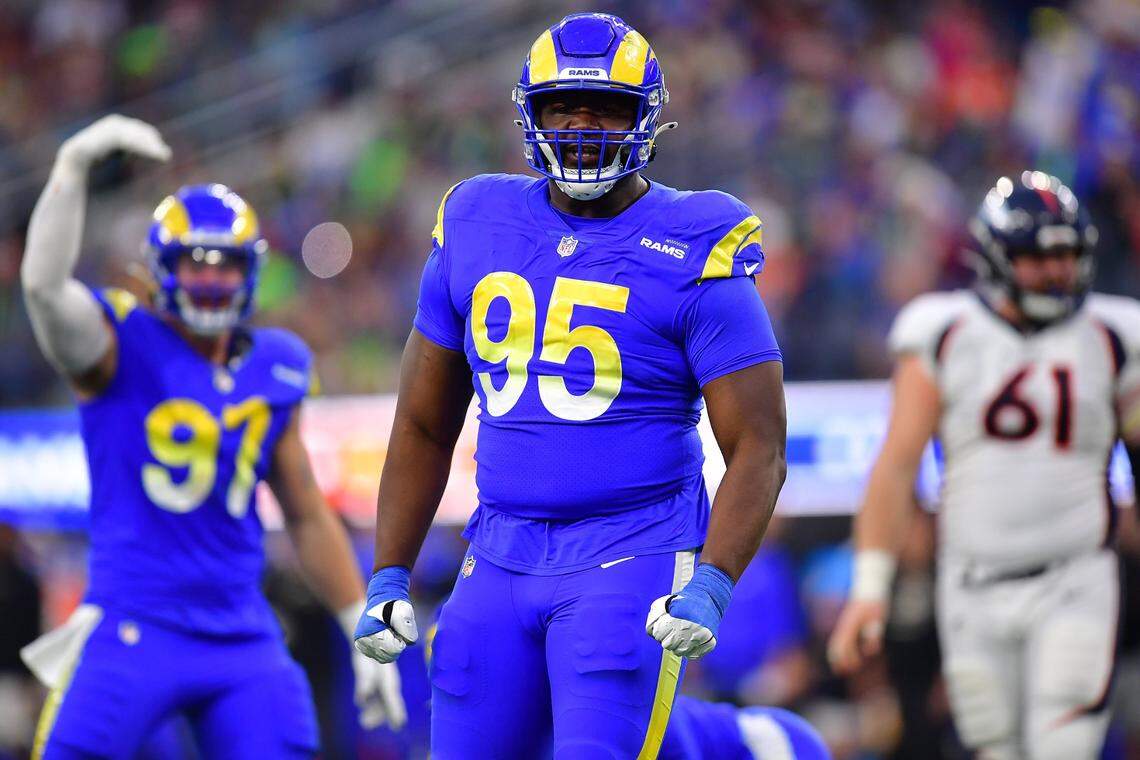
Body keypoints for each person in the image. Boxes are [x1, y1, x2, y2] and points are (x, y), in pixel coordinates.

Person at [353, 12, 787, 759]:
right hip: (497, 550)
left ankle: (740, 741)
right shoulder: (476, 220)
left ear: (646, 117)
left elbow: (758, 444)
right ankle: (737, 744)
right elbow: (425, 420)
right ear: (531, 112)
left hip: (632, 551)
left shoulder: (693, 241)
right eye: (563, 105)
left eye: (607, 107)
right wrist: (389, 571)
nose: (583, 124)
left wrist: (714, 578)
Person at [19, 115, 405, 759]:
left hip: (238, 631)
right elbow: (41, 288)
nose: (210, 280)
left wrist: (361, 631)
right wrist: (72, 166)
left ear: (250, 271)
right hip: (132, 621)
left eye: (225, 265)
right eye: (193, 263)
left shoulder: (274, 364)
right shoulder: (120, 344)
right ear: (159, 269)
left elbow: (306, 512)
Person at [827, 171, 1140, 760]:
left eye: (1066, 255)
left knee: (1065, 746)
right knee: (992, 748)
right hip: (970, 582)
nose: (1054, 272)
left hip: (1076, 577)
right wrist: (870, 589)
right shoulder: (944, 334)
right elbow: (895, 469)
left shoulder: (1115, 335)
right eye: (1033, 258)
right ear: (995, 259)